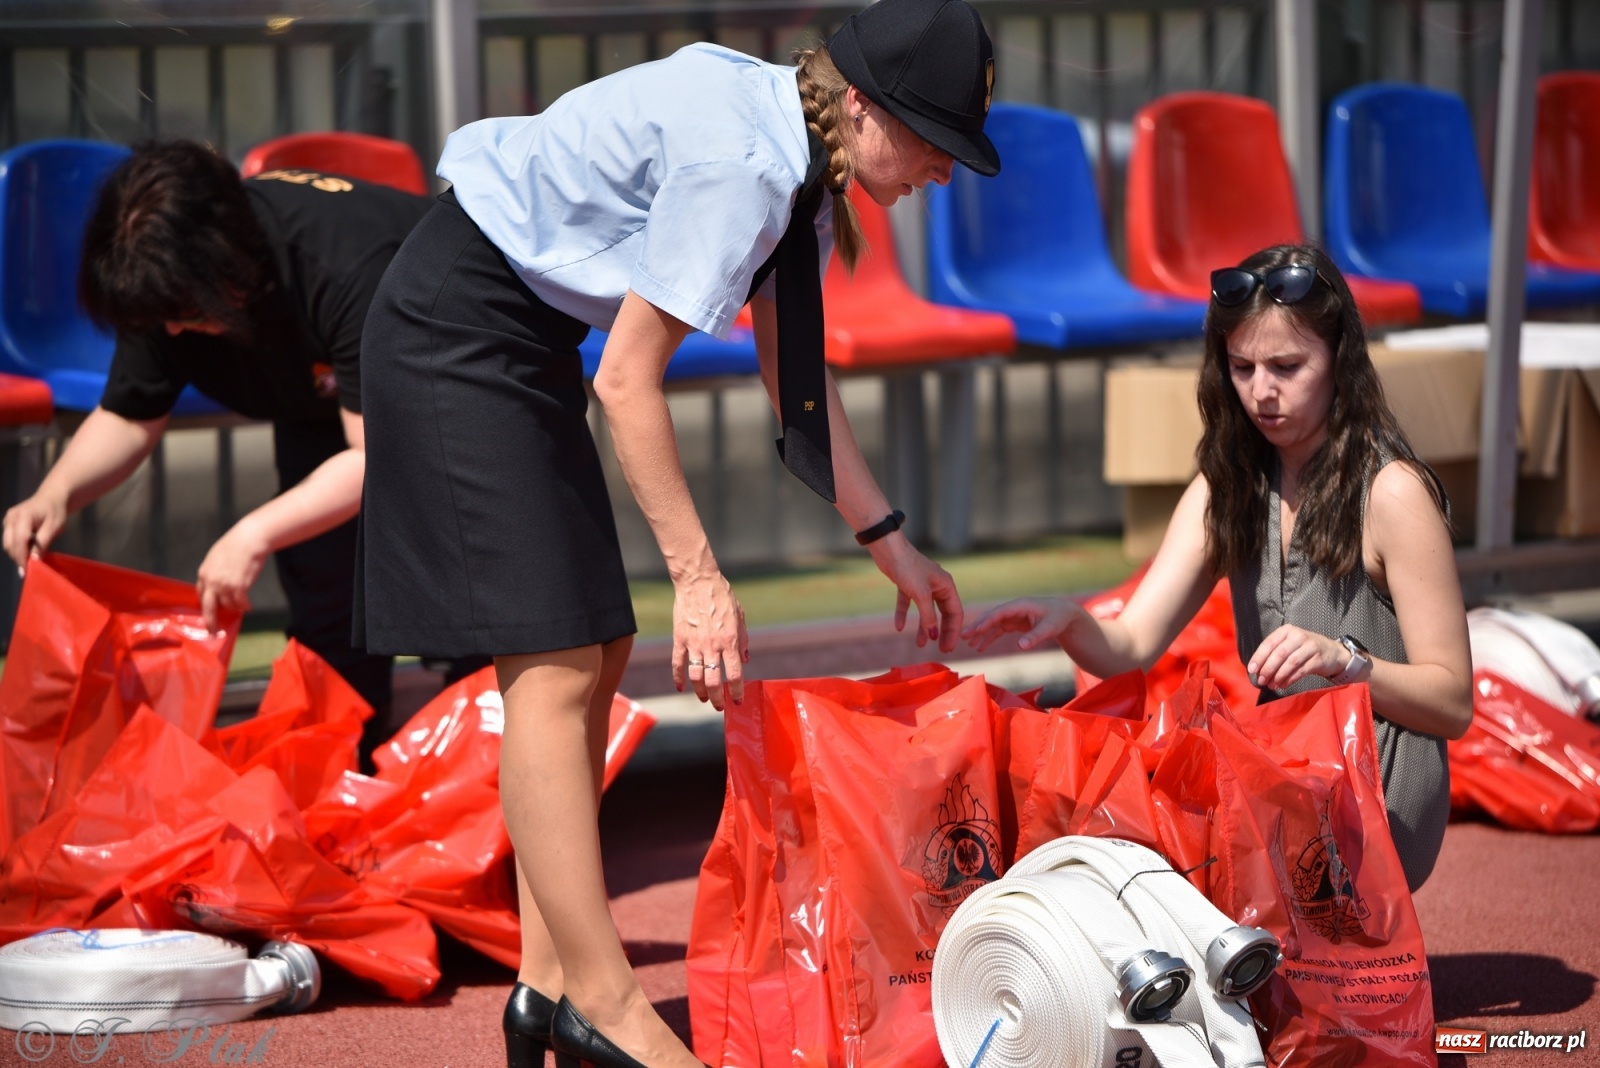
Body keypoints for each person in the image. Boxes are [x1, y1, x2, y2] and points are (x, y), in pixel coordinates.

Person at [354, 1, 997, 1064]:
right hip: (452, 331)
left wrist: (888, 537)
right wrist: (696, 578)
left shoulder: (798, 161)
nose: (942, 171)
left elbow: (794, 381)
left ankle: (543, 988)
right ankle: (602, 1005)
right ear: (865, 108)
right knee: (555, 666)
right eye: (936, 141)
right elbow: (626, 381)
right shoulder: (749, 167)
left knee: (589, 652)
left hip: (515, 335)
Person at [966, 243, 1473, 893]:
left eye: (1288, 366)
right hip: (1282, 778)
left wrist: (1346, 663)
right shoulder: (1227, 485)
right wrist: (1069, 620)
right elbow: (1131, 644)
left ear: (1339, 360)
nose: (1262, 391)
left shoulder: (1393, 492)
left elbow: (1454, 702)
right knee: (1122, 857)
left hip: (1383, 787)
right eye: (1242, 367)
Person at [0, 140, 459, 769]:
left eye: (187, 316)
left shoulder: (343, 264)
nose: (174, 335)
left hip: (453, 381)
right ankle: (344, 794)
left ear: (230, 269)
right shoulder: (165, 289)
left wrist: (251, 533)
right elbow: (130, 414)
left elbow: (378, 457)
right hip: (325, 404)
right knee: (329, 611)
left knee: (466, 606)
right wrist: (57, 491)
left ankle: (481, 804)